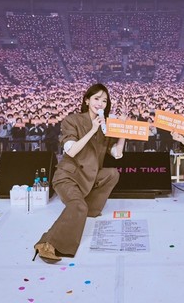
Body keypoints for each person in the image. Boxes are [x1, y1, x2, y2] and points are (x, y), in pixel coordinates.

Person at [34, 84, 126, 264]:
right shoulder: (72, 120)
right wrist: (92, 130)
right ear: (87, 100)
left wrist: (122, 132)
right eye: (96, 99)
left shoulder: (106, 126)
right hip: (68, 177)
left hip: (89, 177)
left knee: (112, 174)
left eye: (104, 101)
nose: (100, 104)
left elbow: (117, 154)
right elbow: (71, 151)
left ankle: (90, 209)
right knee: (77, 205)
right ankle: (47, 243)